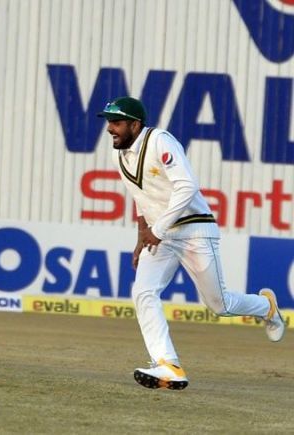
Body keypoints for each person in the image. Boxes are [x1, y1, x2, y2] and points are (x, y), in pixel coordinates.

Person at [98, 96, 286, 390]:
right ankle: (168, 365)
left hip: (194, 229)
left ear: (135, 124)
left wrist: (158, 229)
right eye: (109, 122)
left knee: (218, 304)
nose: (110, 128)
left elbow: (187, 186)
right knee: (143, 291)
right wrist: (141, 236)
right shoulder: (119, 155)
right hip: (161, 235)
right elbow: (141, 198)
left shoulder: (160, 140)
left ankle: (266, 307)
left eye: (117, 122)